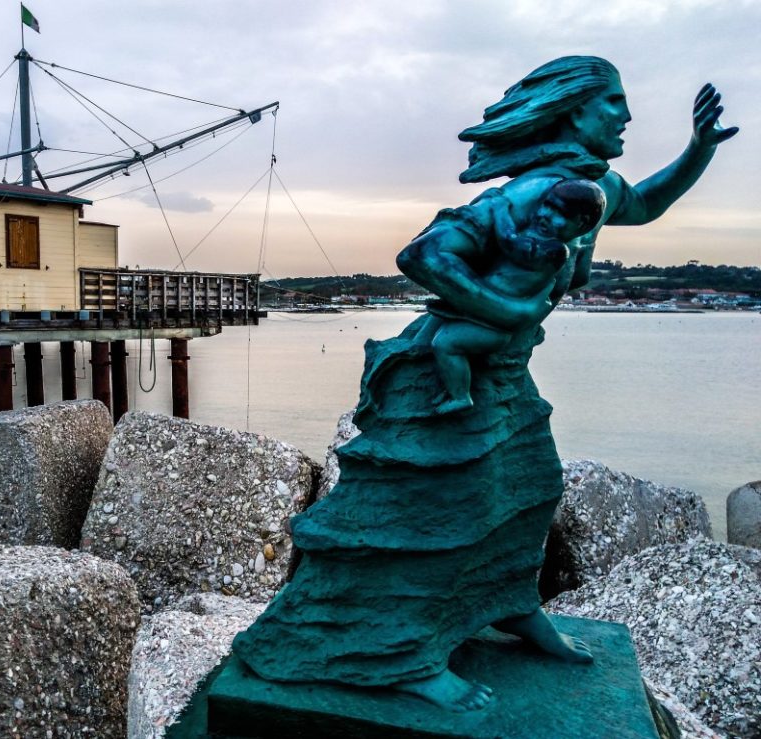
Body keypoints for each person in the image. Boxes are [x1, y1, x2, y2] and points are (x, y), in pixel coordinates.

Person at [231, 56, 737, 713]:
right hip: (447, 367)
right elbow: (422, 255)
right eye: (612, 102)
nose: (626, 115)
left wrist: (696, 152)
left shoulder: (595, 187)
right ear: (572, 111)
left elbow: (646, 202)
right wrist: (507, 311)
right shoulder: (524, 196)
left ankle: (510, 603)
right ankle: (396, 658)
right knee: (443, 512)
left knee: (532, 485)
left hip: (505, 369)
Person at [429, 179, 606, 415]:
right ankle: (453, 386)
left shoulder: (553, 251)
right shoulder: (540, 238)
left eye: (558, 213)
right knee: (444, 339)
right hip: (487, 314)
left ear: (581, 224)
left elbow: (508, 241)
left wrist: (499, 207)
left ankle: (460, 396)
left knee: (445, 344)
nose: (544, 215)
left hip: (496, 326)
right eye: (546, 206)